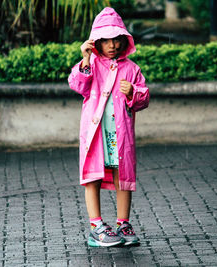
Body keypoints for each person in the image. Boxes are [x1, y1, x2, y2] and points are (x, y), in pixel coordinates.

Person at [68, 7, 149, 247]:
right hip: (96, 135)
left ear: (125, 40)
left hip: (119, 135)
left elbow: (144, 97)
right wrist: (85, 58)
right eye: (106, 40)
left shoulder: (132, 69)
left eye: (117, 39)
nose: (112, 45)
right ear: (97, 42)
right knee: (92, 177)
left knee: (122, 176)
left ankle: (123, 223)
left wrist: (133, 91)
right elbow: (78, 85)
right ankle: (96, 226)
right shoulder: (91, 64)